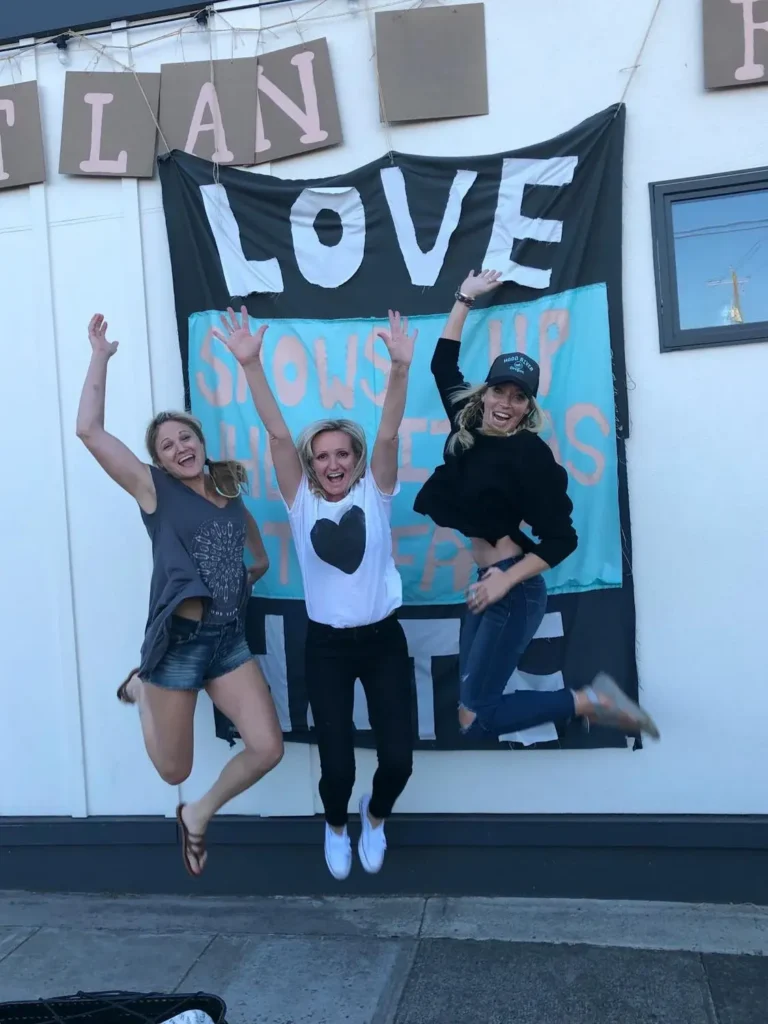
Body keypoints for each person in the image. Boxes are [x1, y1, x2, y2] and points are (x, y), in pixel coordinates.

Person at [212, 305, 416, 880]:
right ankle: (334, 825)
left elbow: (391, 431)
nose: (332, 463)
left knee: (398, 761)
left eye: (341, 454)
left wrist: (398, 371)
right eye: (322, 456)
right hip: (325, 645)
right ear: (311, 465)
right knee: (337, 768)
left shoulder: (376, 493)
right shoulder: (300, 503)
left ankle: (374, 818)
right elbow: (278, 433)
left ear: (355, 461)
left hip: (383, 642)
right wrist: (252, 364)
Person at [76, 313, 284, 878]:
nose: (178, 448)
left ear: (199, 440)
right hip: (180, 642)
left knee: (267, 748)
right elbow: (90, 432)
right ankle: (145, 687)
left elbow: (254, 553)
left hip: (227, 640)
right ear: (160, 461)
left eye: (185, 437)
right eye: (166, 446)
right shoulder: (156, 493)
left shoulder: (227, 487)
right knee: (173, 768)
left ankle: (197, 813)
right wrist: (101, 356)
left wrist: (245, 579)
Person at [414, 270, 659, 742]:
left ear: (528, 407)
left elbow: (563, 538)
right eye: (499, 391)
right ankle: (588, 702)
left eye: (518, 396)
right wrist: (465, 298)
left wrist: (505, 578)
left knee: (480, 714)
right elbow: (443, 365)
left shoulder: (529, 454)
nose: (506, 403)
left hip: (514, 588)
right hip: (486, 583)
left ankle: (591, 701)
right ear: (484, 393)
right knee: (469, 716)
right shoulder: (466, 427)